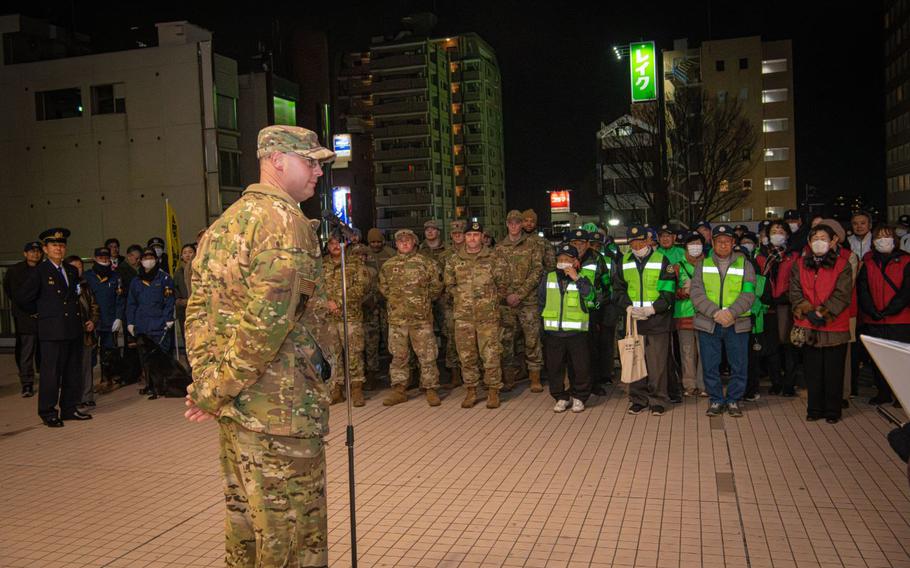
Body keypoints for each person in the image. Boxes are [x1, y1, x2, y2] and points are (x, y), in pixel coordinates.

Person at [184, 125, 336, 567]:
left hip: (238, 411)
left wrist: (209, 387)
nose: (317, 172)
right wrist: (213, 392)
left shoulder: (223, 224)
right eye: (309, 162)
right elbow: (265, 326)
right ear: (276, 161)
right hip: (280, 416)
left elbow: (199, 315)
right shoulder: (287, 225)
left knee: (246, 536)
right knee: (292, 543)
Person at [16, 228, 91, 427]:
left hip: (72, 328)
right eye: (54, 245)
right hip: (52, 330)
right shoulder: (40, 271)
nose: (58, 248)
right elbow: (22, 298)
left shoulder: (71, 270)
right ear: (45, 249)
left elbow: (74, 296)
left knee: (72, 372)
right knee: (51, 374)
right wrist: (42, 313)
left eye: (61, 245)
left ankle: (69, 408)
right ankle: (48, 411)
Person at [690, 225, 756, 418]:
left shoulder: (745, 265)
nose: (723, 244)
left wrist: (732, 313)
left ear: (733, 243)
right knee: (710, 365)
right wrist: (715, 313)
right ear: (713, 243)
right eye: (719, 241)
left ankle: (734, 399)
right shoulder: (702, 265)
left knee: (739, 364)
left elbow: (749, 293)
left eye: (727, 241)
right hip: (709, 322)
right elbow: (696, 293)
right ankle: (716, 400)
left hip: (737, 322)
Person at [791, 224, 854, 423]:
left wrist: (823, 313)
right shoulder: (799, 264)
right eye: (815, 237)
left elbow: (842, 294)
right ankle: (814, 409)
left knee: (834, 371)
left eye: (824, 238)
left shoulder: (843, 264)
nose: (819, 241)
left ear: (833, 241)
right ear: (809, 242)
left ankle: (833, 410)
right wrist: (809, 311)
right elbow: (794, 291)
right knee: (813, 370)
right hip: (808, 324)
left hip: (834, 325)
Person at [444, 221, 511, 409]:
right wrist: (461, 297)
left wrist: (489, 301)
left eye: (476, 235)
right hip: (463, 317)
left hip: (487, 316)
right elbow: (449, 285)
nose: (472, 239)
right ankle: (471, 390)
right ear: (464, 238)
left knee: (490, 354)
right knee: (466, 355)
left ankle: (492, 391)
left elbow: (503, 284)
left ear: (482, 237)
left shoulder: (494, 258)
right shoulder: (454, 260)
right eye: (469, 235)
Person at [612, 225, 677, 416]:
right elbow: (618, 290)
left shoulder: (662, 260)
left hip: (657, 320)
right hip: (633, 321)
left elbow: (668, 292)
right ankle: (637, 399)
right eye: (632, 242)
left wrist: (652, 309)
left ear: (648, 241)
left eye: (640, 241)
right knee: (634, 361)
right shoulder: (623, 261)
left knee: (657, 364)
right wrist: (628, 307)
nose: (636, 245)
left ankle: (658, 400)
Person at [379, 229, 444, 406]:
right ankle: (399, 389)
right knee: (398, 355)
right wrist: (396, 302)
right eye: (401, 241)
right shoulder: (388, 265)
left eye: (408, 240)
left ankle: (430, 388)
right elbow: (384, 288)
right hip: (397, 319)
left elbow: (436, 287)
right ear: (396, 244)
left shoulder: (426, 263)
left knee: (427, 354)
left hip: (420, 318)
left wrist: (423, 301)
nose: (404, 243)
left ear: (414, 242)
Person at [858, 225, 910, 406]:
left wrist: (891, 309)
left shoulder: (905, 260)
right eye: (879, 236)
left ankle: (901, 395)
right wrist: (871, 310)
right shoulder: (868, 261)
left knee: (900, 359)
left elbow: (906, 290)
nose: (883, 239)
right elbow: (862, 288)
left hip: (900, 319)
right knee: (879, 360)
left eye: (887, 236)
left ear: (894, 240)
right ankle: (883, 393)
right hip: (874, 318)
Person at [539, 244, 595, 413]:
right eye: (560, 259)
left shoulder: (584, 277)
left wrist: (577, 278)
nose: (563, 262)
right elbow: (541, 301)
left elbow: (592, 298)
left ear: (575, 261)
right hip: (553, 332)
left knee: (580, 367)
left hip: (576, 332)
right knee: (554, 367)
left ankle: (579, 397)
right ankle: (560, 397)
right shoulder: (548, 277)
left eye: (567, 260)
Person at [496, 210, 545, 392]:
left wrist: (520, 294)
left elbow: (537, 271)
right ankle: (509, 378)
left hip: (528, 301)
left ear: (521, 225)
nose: (515, 226)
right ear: (507, 224)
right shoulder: (499, 248)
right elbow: (496, 275)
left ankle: (535, 378)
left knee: (532, 339)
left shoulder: (532, 245)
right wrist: (507, 295)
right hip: (506, 303)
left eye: (518, 223)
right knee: (506, 341)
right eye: (511, 223)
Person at [323, 234, 371, 407]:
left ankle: (356, 387)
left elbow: (363, 287)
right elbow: (314, 288)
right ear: (328, 246)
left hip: (350, 316)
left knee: (353, 352)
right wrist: (326, 303)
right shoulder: (321, 265)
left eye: (338, 243)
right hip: (328, 318)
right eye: (332, 243)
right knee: (332, 354)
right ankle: (337, 388)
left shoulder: (355, 263)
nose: (335, 246)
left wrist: (340, 302)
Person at [756, 221, 800, 396]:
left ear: (787, 235)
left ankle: (789, 384)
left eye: (781, 230)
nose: (777, 233)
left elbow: (798, 279)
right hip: (767, 305)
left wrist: (787, 296)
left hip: (787, 305)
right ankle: (776, 382)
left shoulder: (794, 255)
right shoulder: (761, 255)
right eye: (774, 231)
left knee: (789, 346)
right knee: (771, 347)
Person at [127, 248, 177, 399]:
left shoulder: (164, 278)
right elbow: (131, 303)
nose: (148, 260)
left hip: (160, 323)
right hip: (142, 325)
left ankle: (164, 385)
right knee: (146, 359)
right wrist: (130, 322)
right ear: (140, 261)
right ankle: (151, 385)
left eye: (151, 257)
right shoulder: (136, 281)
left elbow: (169, 300)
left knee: (162, 357)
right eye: (145, 257)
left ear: (156, 259)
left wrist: (168, 319)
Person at [83, 247, 126, 393]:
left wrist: (119, 317)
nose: (104, 260)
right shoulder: (87, 276)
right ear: (94, 258)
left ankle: (107, 379)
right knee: (91, 352)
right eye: (100, 257)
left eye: (106, 257)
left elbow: (120, 298)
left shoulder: (115, 277)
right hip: (93, 321)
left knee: (109, 352)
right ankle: (87, 384)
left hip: (110, 321)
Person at [3, 240, 43, 397]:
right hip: (25, 317)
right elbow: (12, 292)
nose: (35, 254)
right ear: (25, 254)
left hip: (43, 317)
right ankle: (27, 383)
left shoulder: (44, 269)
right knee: (26, 351)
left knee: (46, 350)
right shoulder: (15, 271)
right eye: (31, 251)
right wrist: (31, 310)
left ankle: (47, 378)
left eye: (38, 251)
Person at [65, 255, 101, 408]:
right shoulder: (65, 286)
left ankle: (87, 396)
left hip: (86, 332)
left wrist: (93, 320)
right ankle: (75, 397)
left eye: (80, 266)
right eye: (74, 267)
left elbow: (94, 305)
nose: (78, 270)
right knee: (72, 367)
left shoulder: (85, 285)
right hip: (70, 333)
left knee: (87, 366)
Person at [674, 232, 706, 397]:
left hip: (705, 314)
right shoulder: (678, 266)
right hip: (684, 313)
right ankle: (689, 385)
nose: (695, 246)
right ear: (685, 247)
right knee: (687, 352)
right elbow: (671, 290)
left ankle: (703, 384)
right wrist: (681, 292)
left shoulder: (709, 264)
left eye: (698, 243)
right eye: (691, 243)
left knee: (705, 351)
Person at [173, 243, 196, 347]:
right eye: (185, 253)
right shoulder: (178, 272)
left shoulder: (198, 269)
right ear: (181, 256)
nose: (187, 255)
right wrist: (180, 300)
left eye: (190, 252)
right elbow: (175, 289)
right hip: (184, 309)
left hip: (198, 308)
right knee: (187, 338)